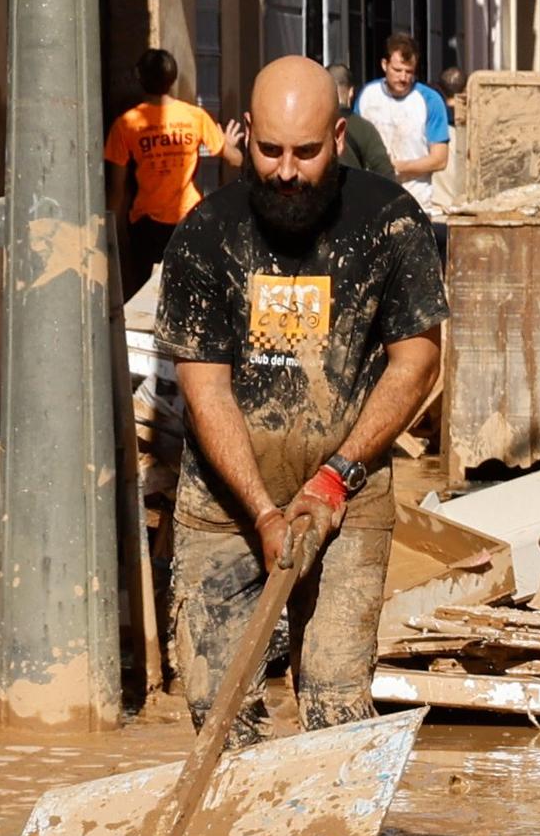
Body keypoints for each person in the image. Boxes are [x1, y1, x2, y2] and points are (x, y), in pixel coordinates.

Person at [160, 55, 441, 740]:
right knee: (220, 708)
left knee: (336, 701)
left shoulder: (390, 223)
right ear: (246, 133)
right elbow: (205, 388)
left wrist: (335, 477)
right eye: (270, 150)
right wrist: (261, 510)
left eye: (307, 152)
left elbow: (419, 360)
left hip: (348, 486)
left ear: (340, 137)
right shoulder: (204, 235)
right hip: (224, 503)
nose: (286, 170)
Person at [102, 50, 229, 290]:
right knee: (187, 287)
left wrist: (109, 230)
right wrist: (232, 145)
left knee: (144, 292)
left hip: (146, 224)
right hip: (189, 217)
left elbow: (117, 188)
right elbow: (232, 156)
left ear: (140, 78)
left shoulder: (126, 124)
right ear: (173, 78)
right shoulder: (195, 116)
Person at [353, 36, 448, 195]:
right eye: (397, 70)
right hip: (372, 195)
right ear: (384, 65)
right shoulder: (367, 96)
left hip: (416, 199)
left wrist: (397, 167)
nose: (403, 78)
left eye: (409, 72)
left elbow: (440, 159)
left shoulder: (430, 101)